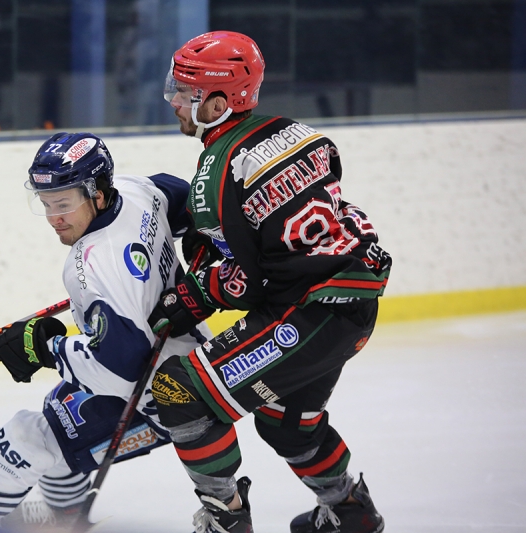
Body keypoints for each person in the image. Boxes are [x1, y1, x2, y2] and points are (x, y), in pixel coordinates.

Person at [148, 31, 392, 533]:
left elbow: (250, 283)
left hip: (310, 313)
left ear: (216, 102)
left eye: (183, 91)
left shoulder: (216, 172)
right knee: (286, 423)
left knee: (179, 391)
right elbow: (281, 242)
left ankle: (226, 518)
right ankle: (351, 513)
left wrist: (195, 294)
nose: (172, 99)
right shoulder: (298, 132)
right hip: (352, 302)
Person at [0, 132, 210, 529]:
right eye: (47, 203)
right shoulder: (135, 190)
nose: (54, 217)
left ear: (98, 195)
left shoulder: (95, 266)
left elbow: (121, 370)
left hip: (166, 396)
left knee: (23, 440)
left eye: (64, 204)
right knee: (56, 426)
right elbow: (182, 200)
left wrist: (47, 347)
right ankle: (65, 520)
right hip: (177, 358)